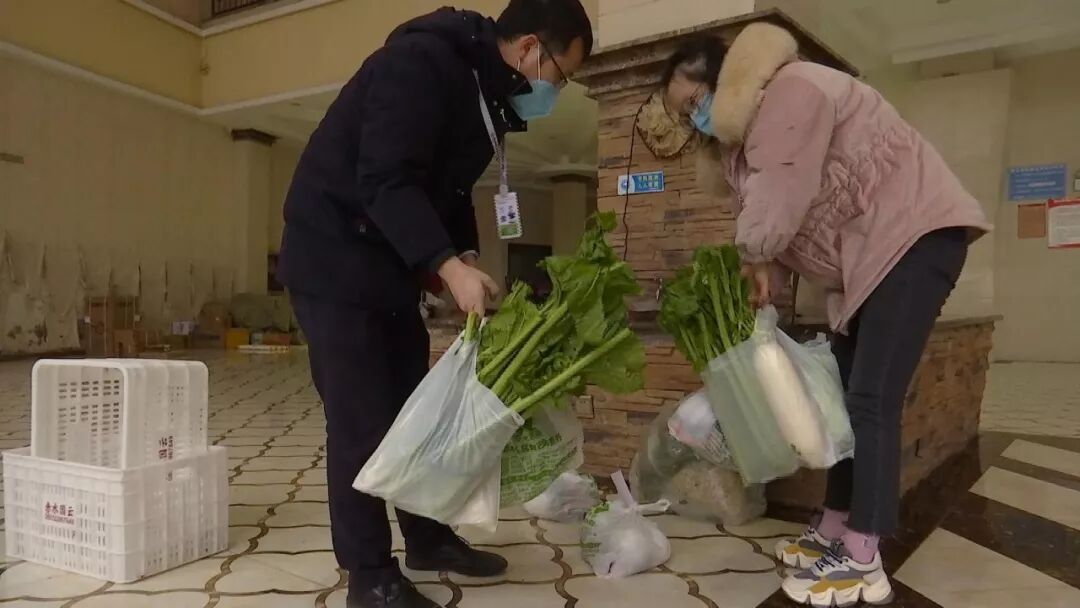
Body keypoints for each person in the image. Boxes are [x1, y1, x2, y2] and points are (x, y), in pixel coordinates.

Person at [661, 22, 991, 608]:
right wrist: (769, 267)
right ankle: (837, 523)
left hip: (912, 240)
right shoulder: (744, 145)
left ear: (726, 77)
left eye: (696, 100)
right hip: (871, 258)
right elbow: (788, 213)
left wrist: (755, 255)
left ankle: (864, 556)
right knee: (841, 401)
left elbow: (781, 190)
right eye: (685, 114)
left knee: (870, 400)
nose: (695, 118)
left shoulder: (792, 90)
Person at [276, 2, 593, 606]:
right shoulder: (420, 64)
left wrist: (463, 256)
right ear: (531, 48)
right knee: (361, 420)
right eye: (563, 73)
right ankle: (370, 576)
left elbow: (447, 190)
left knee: (413, 412)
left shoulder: (484, 92)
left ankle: (427, 538)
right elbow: (385, 178)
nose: (558, 89)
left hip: (385, 264)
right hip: (333, 258)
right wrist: (444, 265)